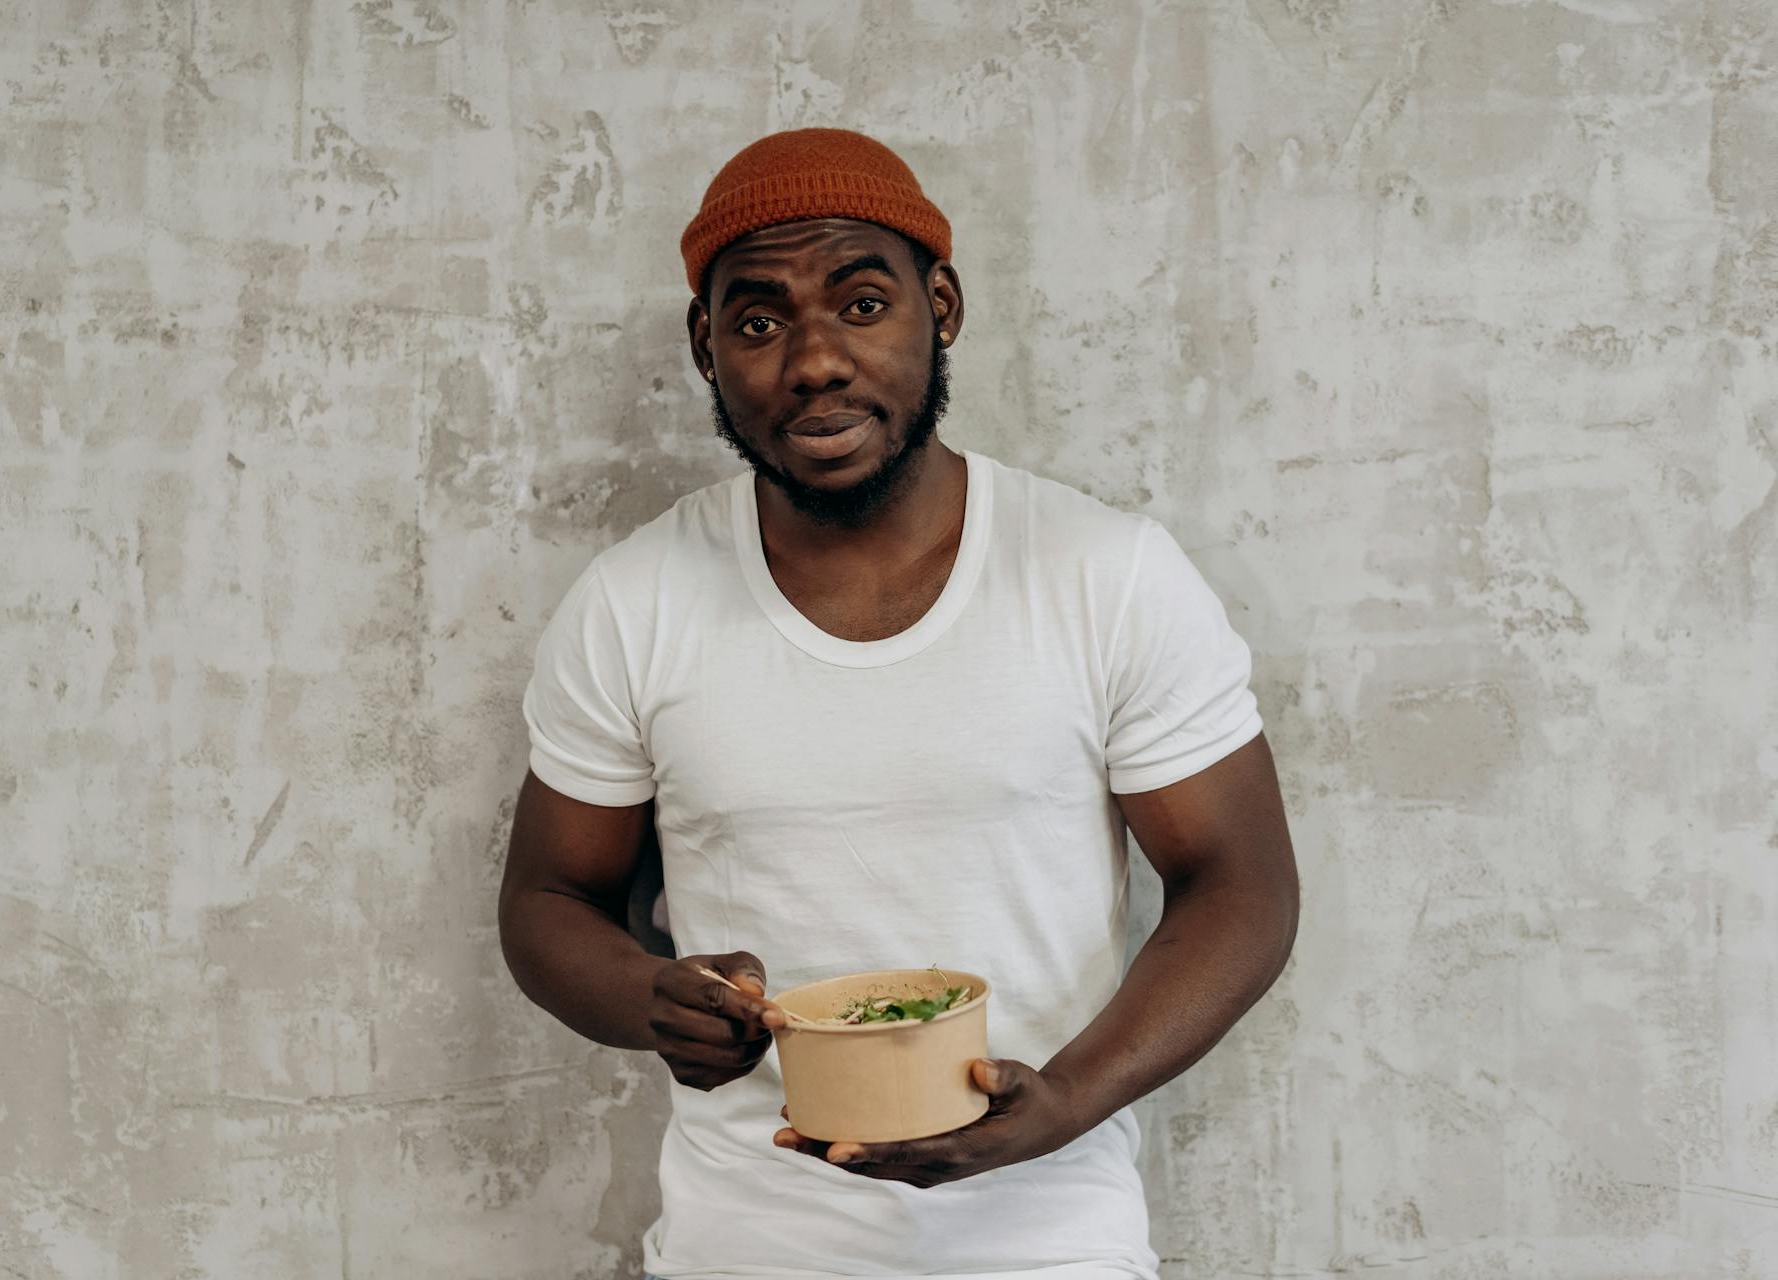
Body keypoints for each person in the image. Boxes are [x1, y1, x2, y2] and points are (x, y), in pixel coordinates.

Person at [498, 127, 1300, 1280]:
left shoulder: (1104, 573)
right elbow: (547, 896)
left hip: (1048, 1241)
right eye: (759, 320)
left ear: (943, 306)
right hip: (747, 1244)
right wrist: (650, 994)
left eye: (862, 303)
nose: (814, 360)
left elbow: (1243, 881)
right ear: (704, 345)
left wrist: (1065, 1097)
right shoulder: (635, 601)